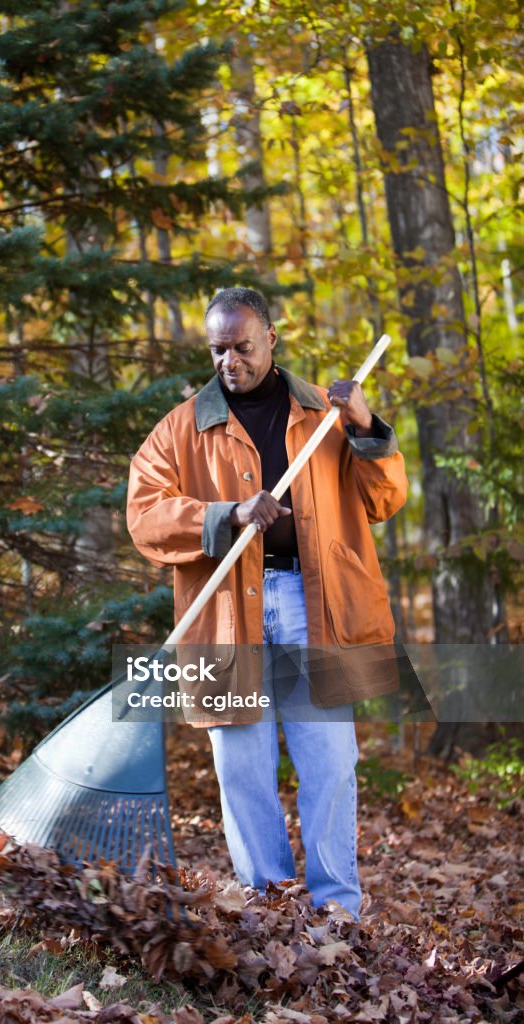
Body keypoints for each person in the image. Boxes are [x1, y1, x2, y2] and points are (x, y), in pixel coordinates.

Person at [126, 287, 407, 918]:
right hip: (226, 613)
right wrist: (224, 514)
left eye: (243, 347)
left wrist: (365, 426)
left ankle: (338, 912)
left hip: (317, 604)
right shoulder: (182, 427)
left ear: (271, 339)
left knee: (330, 763)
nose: (230, 361)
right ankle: (268, 908)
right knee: (243, 771)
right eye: (218, 349)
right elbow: (144, 518)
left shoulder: (323, 414)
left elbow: (385, 501)